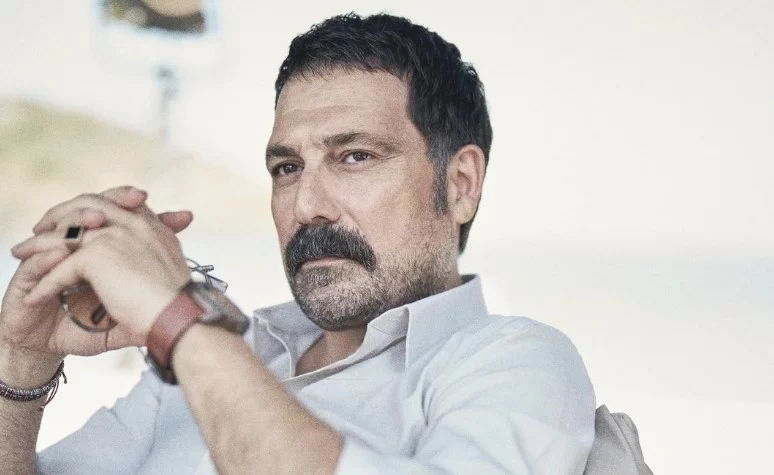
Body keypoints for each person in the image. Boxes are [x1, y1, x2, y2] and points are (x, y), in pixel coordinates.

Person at [0, 13, 596, 474]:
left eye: (355, 156)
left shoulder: (513, 362)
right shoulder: (221, 351)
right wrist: (21, 360)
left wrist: (177, 317)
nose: (306, 205)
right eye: (287, 168)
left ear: (460, 184)